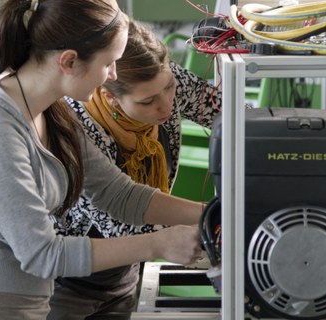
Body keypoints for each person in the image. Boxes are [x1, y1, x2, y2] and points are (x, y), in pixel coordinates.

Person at [0, 1, 204, 320]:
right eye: (109, 64)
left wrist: (214, 214)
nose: (111, 76)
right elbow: (41, 253)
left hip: (29, 309)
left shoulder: (53, 113)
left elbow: (120, 195)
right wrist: (157, 244)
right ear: (69, 61)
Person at [48, 19, 222, 320]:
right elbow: (122, 219)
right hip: (68, 286)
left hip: (125, 275)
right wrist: (218, 221)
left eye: (169, 87)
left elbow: (224, 109)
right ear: (110, 96)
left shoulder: (161, 80)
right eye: (148, 102)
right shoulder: (74, 125)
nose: (166, 105)